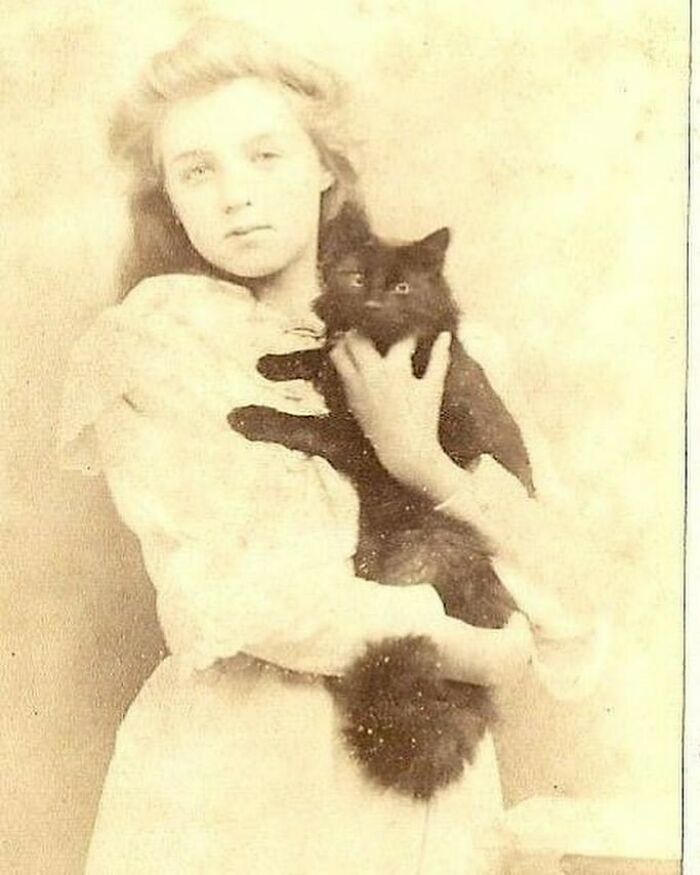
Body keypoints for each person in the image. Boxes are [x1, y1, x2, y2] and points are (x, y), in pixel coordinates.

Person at [58, 17, 603, 874]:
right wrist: (470, 650)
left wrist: (421, 460)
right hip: (232, 789)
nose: (235, 194)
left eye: (265, 155)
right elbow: (247, 595)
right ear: (170, 197)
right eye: (197, 170)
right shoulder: (153, 345)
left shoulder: (451, 345)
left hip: (419, 797)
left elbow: (572, 599)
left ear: (322, 166)